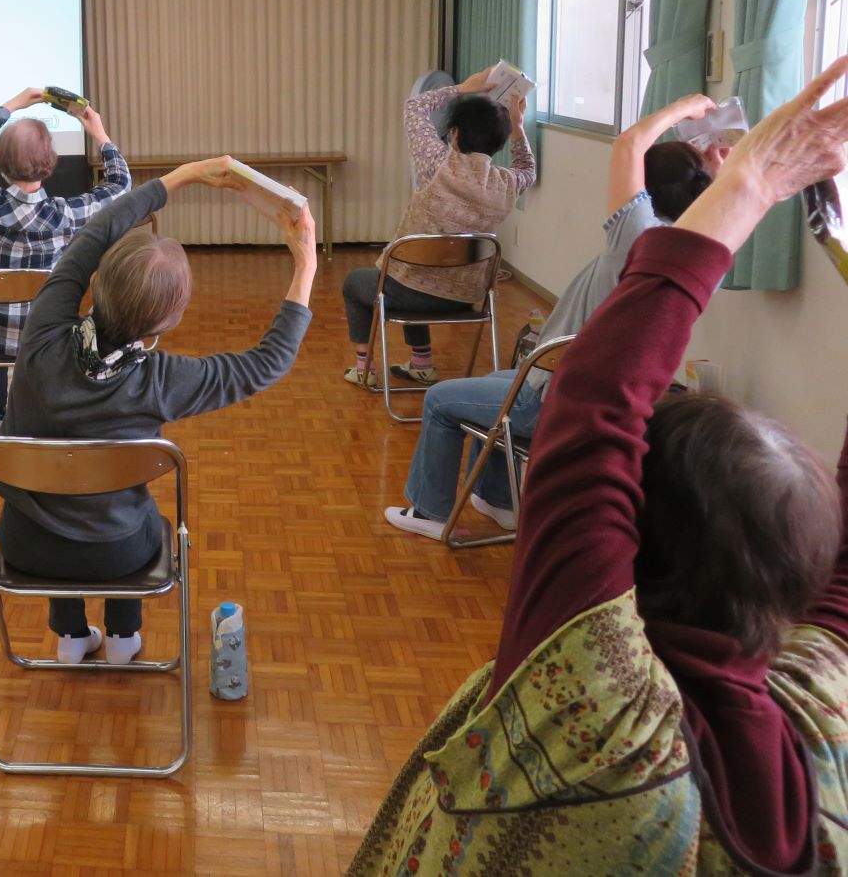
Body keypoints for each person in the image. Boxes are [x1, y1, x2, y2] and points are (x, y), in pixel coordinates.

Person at [348, 56, 848, 875]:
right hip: (478, 302)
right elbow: (599, 409)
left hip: (508, 363)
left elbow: (591, 396)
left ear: (631, 535)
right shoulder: (821, 742)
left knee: (444, 397)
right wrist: (522, 125)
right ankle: (492, 488)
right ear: (802, 573)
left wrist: (751, 178)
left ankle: (435, 503)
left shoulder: (590, 704)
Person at [0, 159, 317, 665]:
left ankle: (71, 637)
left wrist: (182, 176)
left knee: (54, 500)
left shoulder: (42, 333)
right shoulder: (162, 381)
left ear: (96, 281)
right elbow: (267, 363)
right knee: (135, 517)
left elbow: (95, 233)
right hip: (119, 553)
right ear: (170, 319)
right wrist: (305, 265)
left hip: (26, 547)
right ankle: (123, 639)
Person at [384, 93, 724, 540]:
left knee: (440, 400)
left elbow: (629, 143)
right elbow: (719, 213)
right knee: (499, 381)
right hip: (604, 397)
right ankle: (497, 499)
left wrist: (684, 108)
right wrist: (717, 179)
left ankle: (429, 512)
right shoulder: (696, 257)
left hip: (557, 395)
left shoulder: (636, 238)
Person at [341, 65, 535, 387]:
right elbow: (528, 168)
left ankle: (363, 369)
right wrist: (518, 127)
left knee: (357, 282)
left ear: (454, 135)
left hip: (408, 290)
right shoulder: (507, 183)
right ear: (499, 143)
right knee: (414, 271)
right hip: (468, 297)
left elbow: (414, 106)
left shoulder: (436, 164)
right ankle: (421, 364)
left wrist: (464, 87)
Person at [0, 88, 132, 424]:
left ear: (0, 162)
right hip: (44, 340)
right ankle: (37, 411)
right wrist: (99, 134)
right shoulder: (65, 215)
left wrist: (14, 103)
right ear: (50, 162)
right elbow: (121, 186)